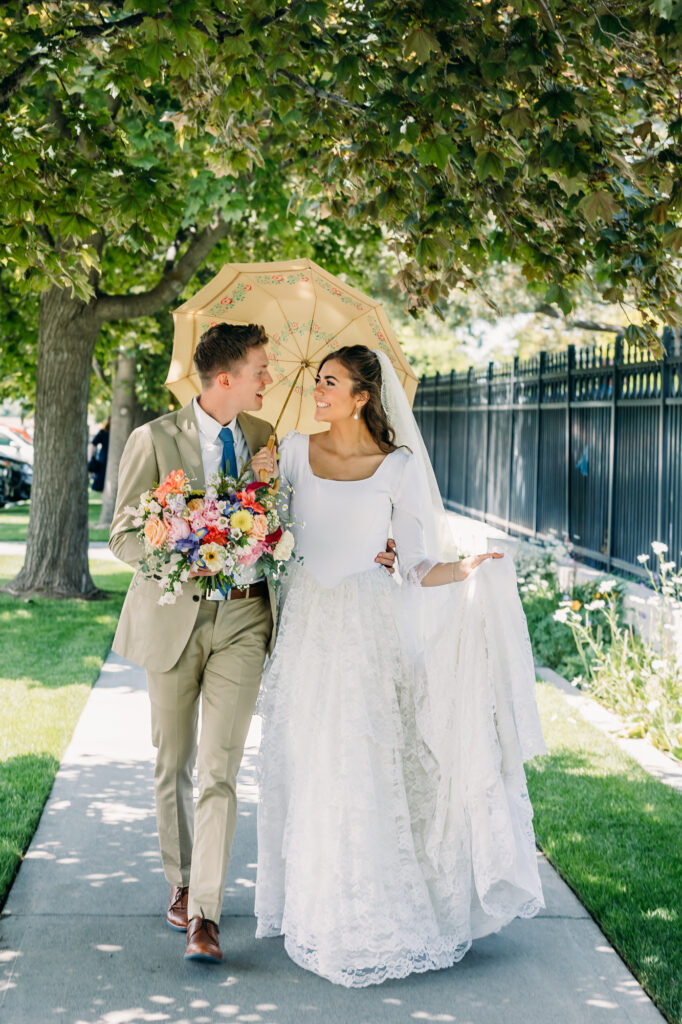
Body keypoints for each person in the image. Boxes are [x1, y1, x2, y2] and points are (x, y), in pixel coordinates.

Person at [255, 344, 547, 987]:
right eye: (317, 382)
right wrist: (259, 479)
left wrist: (465, 569)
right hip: (308, 625)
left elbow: (414, 564)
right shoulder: (295, 452)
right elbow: (262, 530)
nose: (318, 391)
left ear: (363, 396)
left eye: (330, 383)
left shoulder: (399, 465)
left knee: (364, 763)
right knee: (309, 764)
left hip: (368, 626)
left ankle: (374, 912)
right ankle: (317, 908)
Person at [109, 324, 396, 965]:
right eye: (261, 370)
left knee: (221, 768)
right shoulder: (153, 439)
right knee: (173, 763)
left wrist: (379, 545)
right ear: (225, 379)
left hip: (244, 619)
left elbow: (306, 522)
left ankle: (205, 916)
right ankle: (181, 884)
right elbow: (123, 535)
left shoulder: (269, 442)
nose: (270, 381)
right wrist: (183, 547)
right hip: (174, 619)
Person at [88, 418, 110, 492]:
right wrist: (91, 458)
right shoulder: (103, 432)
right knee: (102, 485)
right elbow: (92, 444)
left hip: (105, 459)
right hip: (103, 460)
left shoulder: (104, 432)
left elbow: (92, 444)